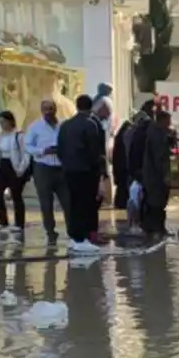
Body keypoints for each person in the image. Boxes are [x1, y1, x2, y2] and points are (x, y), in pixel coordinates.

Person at [57, 94, 108, 253]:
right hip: (86, 171)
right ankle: (84, 238)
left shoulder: (65, 125)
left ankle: (74, 237)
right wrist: (100, 171)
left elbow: (60, 149)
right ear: (91, 106)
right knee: (86, 204)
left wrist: (66, 164)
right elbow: (95, 151)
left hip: (69, 171)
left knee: (73, 203)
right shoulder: (91, 124)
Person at [25, 99, 69, 245]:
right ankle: (50, 231)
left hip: (61, 168)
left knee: (67, 201)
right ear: (41, 111)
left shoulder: (63, 126)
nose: (48, 111)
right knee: (46, 203)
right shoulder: (35, 127)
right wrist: (43, 151)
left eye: (51, 108)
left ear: (55, 109)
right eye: (45, 109)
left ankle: (72, 231)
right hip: (43, 167)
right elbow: (27, 146)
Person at [0, 110, 31, 238]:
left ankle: (19, 223)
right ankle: (3, 221)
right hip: (1, 166)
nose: (2, 124)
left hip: (14, 166)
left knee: (16, 195)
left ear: (10, 121)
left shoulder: (18, 136)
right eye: (0, 122)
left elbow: (26, 153)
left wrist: (21, 168)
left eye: (4, 121)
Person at [139, 110, 174, 238]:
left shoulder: (158, 133)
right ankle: (155, 228)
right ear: (162, 121)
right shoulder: (156, 135)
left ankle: (157, 228)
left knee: (159, 202)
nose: (169, 124)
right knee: (156, 202)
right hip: (155, 176)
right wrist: (166, 175)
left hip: (154, 174)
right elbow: (160, 157)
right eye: (168, 121)